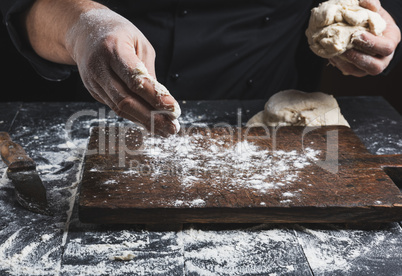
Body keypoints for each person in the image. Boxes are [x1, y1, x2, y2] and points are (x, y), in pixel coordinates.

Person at [1, 0, 401, 135]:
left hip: (271, 117)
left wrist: (367, 29)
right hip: (101, 111)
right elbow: (24, 6)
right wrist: (81, 27)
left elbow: (371, 8)